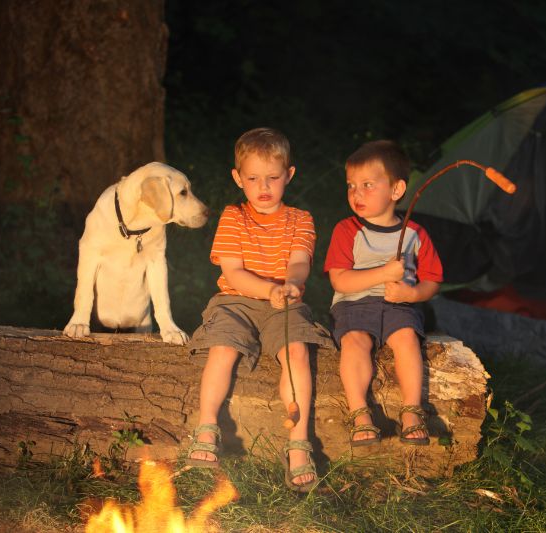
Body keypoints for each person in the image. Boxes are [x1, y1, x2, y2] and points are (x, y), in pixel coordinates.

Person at [188, 127, 332, 492]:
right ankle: (207, 426)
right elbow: (233, 272)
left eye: (272, 177)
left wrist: (291, 285)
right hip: (236, 299)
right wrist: (268, 289)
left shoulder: (301, 219)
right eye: (253, 178)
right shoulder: (234, 217)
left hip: (284, 301)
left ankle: (298, 443)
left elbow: (300, 262)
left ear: (289, 175)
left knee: (296, 352)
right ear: (238, 178)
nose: (263, 187)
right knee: (222, 349)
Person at [324, 140, 443, 447]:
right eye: (351, 185)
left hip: (398, 304)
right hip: (354, 304)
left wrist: (411, 294)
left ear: (396, 190)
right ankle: (360, 412)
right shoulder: (347, 230)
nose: (356, 193)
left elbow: (432, 281)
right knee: (355, 341)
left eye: (367, 185)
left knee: (405, 338)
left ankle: (412, 411)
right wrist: (382, 274)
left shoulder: (415, 234)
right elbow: (340, 281)